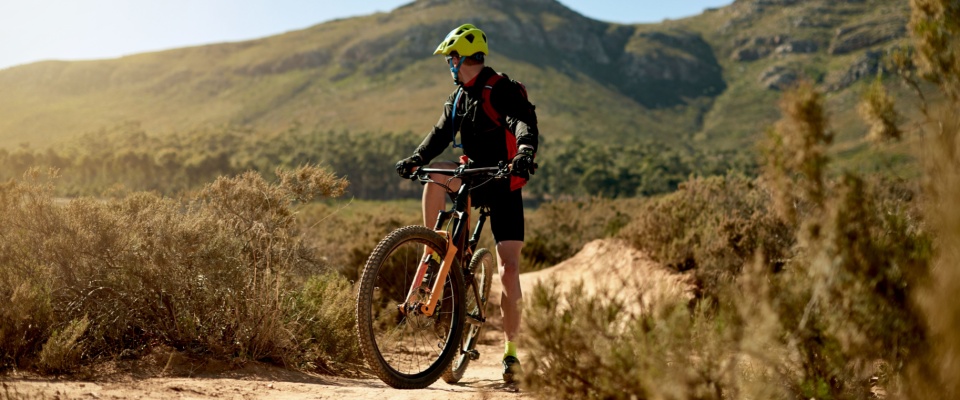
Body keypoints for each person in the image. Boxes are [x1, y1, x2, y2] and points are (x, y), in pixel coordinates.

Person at [395, 23, 539, 384]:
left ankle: (511, 354)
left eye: (451, 59)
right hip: (473, 175)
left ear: (463, 59)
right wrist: (416, 157)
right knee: (436, 172)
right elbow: (441, 133)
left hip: (504, 181)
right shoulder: (459, 97)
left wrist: (524, 151)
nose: (449, 66)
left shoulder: (498, 88)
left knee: (509, 266)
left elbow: (521, 121)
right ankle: (433, 246)